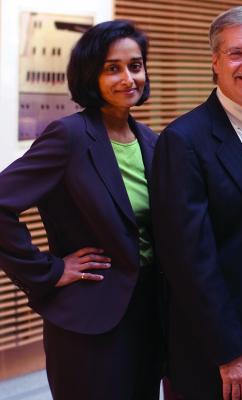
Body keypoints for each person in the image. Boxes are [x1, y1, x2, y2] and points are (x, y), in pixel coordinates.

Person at [0, 20, 162, 399]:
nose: (128, 78)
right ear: (91, 75)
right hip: (90, 320)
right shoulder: (68, 136)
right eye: (112, 68)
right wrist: (50, 270)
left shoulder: (152, 142)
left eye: (135, 66)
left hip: (149, 314)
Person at [150, 6, 242, 400]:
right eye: (236, 53)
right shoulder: (184, 141)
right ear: (215, 62)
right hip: (219, 347)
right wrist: (229, 349)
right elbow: (188, 262)